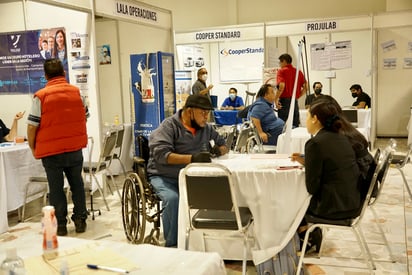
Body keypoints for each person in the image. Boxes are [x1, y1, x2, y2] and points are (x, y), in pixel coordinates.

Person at [147, 94, 228, 247]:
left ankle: (209, 243)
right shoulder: (168, 126)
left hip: (191, 176)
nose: (206, 117)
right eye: (202, 113)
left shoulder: (206, 128)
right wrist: (192, 158)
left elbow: (224, 145)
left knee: (215, 194)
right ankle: (173, 245)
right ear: (189, 112)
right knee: (173, 199)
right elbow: (162, 155)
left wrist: (219, 150)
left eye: (208, 113)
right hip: (164, 176)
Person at [27, 59, 89, 236]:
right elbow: (85, 116)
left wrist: (33, 147)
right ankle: (80, 220)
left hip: (51, 152)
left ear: (45, 75)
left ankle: (60, 225)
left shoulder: (41, 96)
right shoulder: (77, 93)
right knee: (77, 184)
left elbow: (32, 125)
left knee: (56, 189)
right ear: (63, 73)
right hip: (75, 148)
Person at [291, 98, 362, 252]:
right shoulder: (341, 138)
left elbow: (312, 187)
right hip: (351, 201)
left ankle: (304, 235)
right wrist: (307, 162)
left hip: (332, 206)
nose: (306, 121)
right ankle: (308, 233)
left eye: (308, 117)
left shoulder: (315, 143)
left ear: (315, 119)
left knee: (289, 200)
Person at [275, 53, 308, 127]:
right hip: (294, 101)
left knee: (282, 125)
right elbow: (306, 86)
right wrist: (298, 96)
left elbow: (281, 86)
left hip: (284, 101)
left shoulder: (281, 71)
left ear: (284, 61)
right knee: (295, 125)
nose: (279, 64)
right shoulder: (298, 72)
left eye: (280, 62)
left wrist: (276, 99)